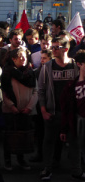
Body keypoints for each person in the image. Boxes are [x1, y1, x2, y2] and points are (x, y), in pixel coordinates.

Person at [38, 37, 79, 181]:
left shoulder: (75, 66)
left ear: (65, 49)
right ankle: (47, 168)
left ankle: (77, 170)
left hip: (72, 112)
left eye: (56, 47)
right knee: (49, 141)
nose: (53, 50)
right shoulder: (47, 66)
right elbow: (41, 90)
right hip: (53, 111)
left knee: (75, 141)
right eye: (52, 47)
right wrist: (43, 110)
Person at [1, 48, 37, 171]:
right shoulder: (7, 73)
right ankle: (7, 161)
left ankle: (21, 160)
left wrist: (29, 107)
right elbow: (4, 92)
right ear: (13, 59)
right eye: (20, 57)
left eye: (25, 57)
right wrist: (11, 106)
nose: (23, 59)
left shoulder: (30, 72)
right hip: (10, 111)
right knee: (10, 136)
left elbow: (36, 91)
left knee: (22, 136)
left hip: (26, 111)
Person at [59, 50, 85, 180]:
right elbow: (67, 110)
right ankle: (77, 172)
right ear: (79, 64)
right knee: (76, 148)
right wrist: (64, 129)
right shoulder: (71, 86)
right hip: (78, 122)